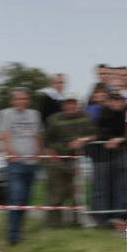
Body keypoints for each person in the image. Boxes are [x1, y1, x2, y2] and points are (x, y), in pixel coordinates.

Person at [0, 87, 43, 245]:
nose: (21, 101)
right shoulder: (6, 114)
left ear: (28, 100)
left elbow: (38, 135)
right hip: (16, 164)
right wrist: (10, 154)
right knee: (16, 198)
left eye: (24, 98)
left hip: (32, 164)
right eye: (18, 99)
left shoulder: (34, 114)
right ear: (12, 101)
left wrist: (39, 153)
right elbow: (4, 136)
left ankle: (18, 232)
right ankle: (13, 236)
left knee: (25, 200)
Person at [43, 96, 97, 226]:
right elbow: (47, 141)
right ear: (63, 105)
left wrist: (82, 140)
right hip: (58, 160)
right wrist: (54, 159)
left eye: (74, 103)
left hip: (76, 161)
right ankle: (54, 224)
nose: (71, 106)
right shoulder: (54, 119)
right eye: (68, 103)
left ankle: (76, 223)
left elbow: (94, 134)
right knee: (56, 194)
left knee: (76, 194)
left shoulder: (85, 117)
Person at [91, 92, 127, 227]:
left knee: (120, 186)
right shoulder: (102, 114)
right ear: (108, 101)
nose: (116, 103)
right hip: (101, 156)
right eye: (113, 100)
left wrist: (120, 139)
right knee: (102, 188)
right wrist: (112, 139)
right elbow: (98, 133)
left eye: (119, 100)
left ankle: (118, 216)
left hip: (118, 156)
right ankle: (101, 218)